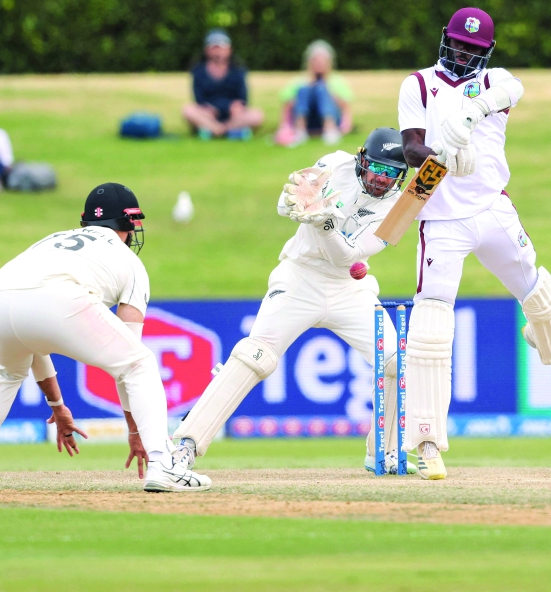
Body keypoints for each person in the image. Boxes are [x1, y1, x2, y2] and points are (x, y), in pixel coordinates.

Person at [397, 7, 551, 481]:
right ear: (447, 40)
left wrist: (475, 109)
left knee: (534, 285)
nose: (464, 54)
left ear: (486, 51)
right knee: (432, 327)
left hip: (492, 207)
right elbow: (409, 146)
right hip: (441, 219)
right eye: (460, 44)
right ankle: (425, 443)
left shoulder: (493, 80)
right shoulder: (419, 84)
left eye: (474, 49)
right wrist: (442, 154)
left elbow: (514, 89)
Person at [171, 128, 413, 475]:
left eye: (391, 174)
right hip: (299, 276)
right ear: (361, 160)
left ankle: (385, 454)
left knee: (396, 361)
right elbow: (288, 200)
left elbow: (345, 260)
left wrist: (325, 223)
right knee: (255, 356)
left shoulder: (398, 211)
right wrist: (292, 206)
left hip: (348, 288)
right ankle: (185, 446)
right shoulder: (333, 164)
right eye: (376, 168)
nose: (381, 179)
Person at [0, 183, 211, 495]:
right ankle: (162, 464)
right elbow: (129, 361)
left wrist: (57, 405)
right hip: (57, 295)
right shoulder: (131, 264)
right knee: (139, 363)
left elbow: (30, 334)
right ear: (127, 224)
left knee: (6, 373)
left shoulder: (52, 240)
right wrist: (136, 430)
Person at [183, 29, 264, 140]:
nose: (218, 52)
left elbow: (243, 99)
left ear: (229, 50)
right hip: (209, 114)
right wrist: (208, 109)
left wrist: (236, 107)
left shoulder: (238, 71)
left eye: (221, 48)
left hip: (232, 115)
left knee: (257, 115)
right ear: (207, 50)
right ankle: (226, 131)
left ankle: (216, 131)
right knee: (188, 110)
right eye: (214, 48)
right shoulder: (198, 72)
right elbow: (198, 99)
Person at [275, 40, 354, 148]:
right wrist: (284, 126)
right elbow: (287, 105)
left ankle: (329, 129)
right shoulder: (299, 81)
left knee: (321, 88)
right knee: (303, 89)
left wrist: (346, 125)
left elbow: (345, 106)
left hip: (331, 119)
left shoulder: (337, 81)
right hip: (308, 119)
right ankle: (300, 130)